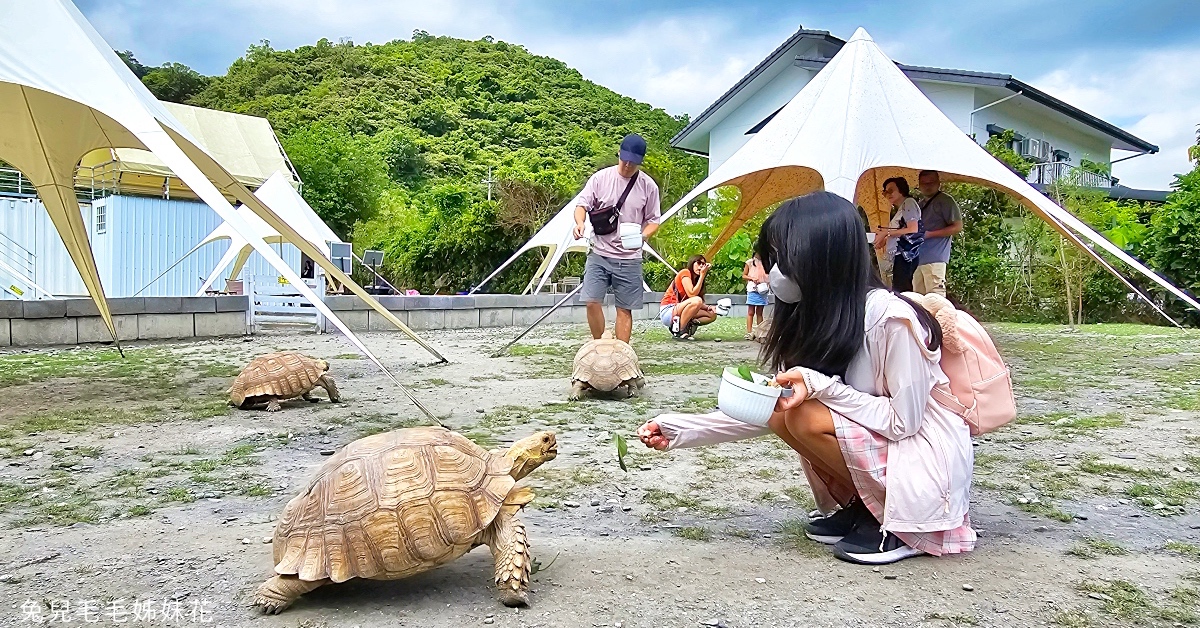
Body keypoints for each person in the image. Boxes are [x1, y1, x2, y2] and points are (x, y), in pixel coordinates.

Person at [636, 191, 976, 566]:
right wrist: (680, 429)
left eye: (783, 258)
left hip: (922, 464)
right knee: (787, 409)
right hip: (890, 451)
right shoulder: (823, 317)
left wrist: (822, 386)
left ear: (822, 258)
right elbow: (769, 409)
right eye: (774, 259)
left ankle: (897, 524)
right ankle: (865, 505)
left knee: (803, 413)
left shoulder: (890, 319)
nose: (775, 272)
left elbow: (904, 422)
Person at [573, 134, 661, 343]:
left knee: (625, 308)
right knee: (591, 300)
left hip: (630, 257)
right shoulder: (600, 179)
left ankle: (622, 352)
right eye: (625, 160)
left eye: (634, 162)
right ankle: (599, 343)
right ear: (619, 155)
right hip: (599, 252)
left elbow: (654, 220)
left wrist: (643, 236)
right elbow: (581, 205)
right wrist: (580, 223)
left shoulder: (648, 187)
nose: (628, 165)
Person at [914, 170, 962, 296]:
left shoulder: (946, 201)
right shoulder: (919, 205)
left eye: (931, 182)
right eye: (924, 183)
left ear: (938, 183)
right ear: (919, 185)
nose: (927, 186)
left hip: (935, 258)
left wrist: (930, 234)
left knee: (936, 300)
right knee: (917, 301)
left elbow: (957, 227)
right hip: (917, 259)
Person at [874, 177, 923, 293]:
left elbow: (912, 229)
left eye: (891, 190)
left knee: (902, 291)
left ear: (901, 189)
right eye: (885, 192)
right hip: (900, 255)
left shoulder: (909, 203)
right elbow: (901, 231)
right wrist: (884, 239)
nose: (888, 195)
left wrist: (886, 233)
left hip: (906, 255)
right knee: (899, 289)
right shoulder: (901, 207)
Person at [659, 255, 717, 340]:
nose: (701, 266)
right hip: (669, 310)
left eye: (703, 264)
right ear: (692, 263)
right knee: (697, 300)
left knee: (712, 315)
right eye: (699, 263)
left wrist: (709, 307)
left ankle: (688, 323)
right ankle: (680, 331)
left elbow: (696, 303)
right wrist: (702, 276)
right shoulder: (685, 272)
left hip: (683, 309)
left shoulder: (697, 281)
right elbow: (692, 294)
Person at [742, 251, 769, 340]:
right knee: (751, 312)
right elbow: (744, 275)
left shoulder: (767, 262)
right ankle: (749, 332)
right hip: (752, 289)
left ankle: (759, 333)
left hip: (763, 290)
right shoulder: (749, 262)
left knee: (760, 312)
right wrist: (752, 278)